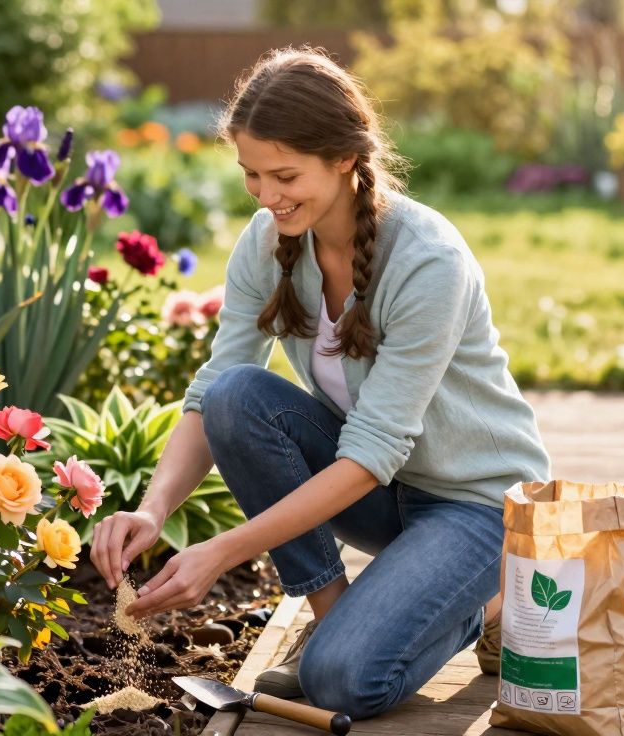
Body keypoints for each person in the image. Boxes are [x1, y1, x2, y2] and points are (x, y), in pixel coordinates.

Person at [88, 47, 551, 720]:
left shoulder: (428, 263)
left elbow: (370, 452)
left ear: (343, 157)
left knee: (342, 684)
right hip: (381, 492)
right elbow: (214, 387)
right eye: (251, 176)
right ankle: (330, 618)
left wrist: (221, 552)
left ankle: (492, 602)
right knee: (236, 397)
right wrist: (153, 512)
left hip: (474, 504)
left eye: (284, 174)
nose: (267, 195)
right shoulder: (269, 241)